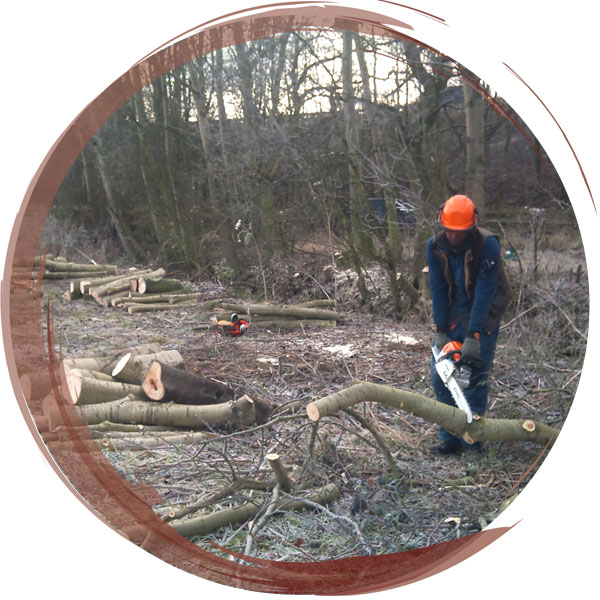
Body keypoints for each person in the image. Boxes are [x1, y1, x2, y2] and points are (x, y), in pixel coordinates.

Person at [427, 195, 511, 455]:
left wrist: (474, 335)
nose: (453, 237)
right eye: (449, 231)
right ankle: (449, 437)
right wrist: (440, 330)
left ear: (471, 227)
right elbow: (438, 289)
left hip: (483, 313)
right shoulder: (434, 246)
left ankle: (471, 440)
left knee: (473, 376)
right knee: (440, 374)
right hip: (454, 313)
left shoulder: (488, 246)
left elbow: (486, 292)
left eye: (459, 232)